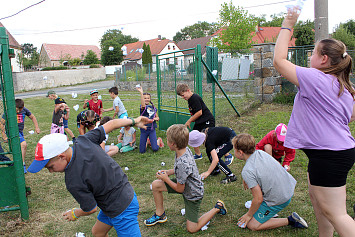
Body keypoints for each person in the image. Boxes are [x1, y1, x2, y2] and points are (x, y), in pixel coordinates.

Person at [273, 7, 355, 236]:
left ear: (324, 59)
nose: (310, 57)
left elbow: (279, 61)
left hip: (330, 154)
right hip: (330, 152)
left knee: (336, 213)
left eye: (313, 53)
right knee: (320, 203)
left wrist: (288, 22)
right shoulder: (342, 86)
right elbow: (348, 116)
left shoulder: (315, 77)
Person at [27, 116, 153, 237]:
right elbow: (112, 124)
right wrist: (134, 120)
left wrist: (76, 213)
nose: (50, 171)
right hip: (117, 196)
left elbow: (90, 208)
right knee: (98, 232)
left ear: (61, 156)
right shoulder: (83, 140)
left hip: (121, 207)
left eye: (50, 167)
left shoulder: (73, 181)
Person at [144, 124, 227, 233]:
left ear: (173, 144)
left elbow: (180, 189)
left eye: (168, 140)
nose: (167, 142)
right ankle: (160, 215)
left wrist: (165, 178)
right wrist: (168, 172)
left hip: (193, 194)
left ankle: (218, 207)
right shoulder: (184, 149)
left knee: (192, 229)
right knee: (156, 185)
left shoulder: (183, 162)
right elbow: (181, 170)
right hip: (185, 185)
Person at [232, 133, 308, 231]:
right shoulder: (261, 153)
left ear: (240, 152)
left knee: (252, 225)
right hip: (288, 188)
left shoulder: (247, 171)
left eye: (234, 149)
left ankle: (291, 220)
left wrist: (248, 215)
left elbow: (258, 199)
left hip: (280, 199)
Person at [176, 84, 221, 161]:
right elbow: (195, 113)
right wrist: (192, 119)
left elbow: (199, 112)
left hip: (207, 120)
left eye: (183, 95)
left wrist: (189, 121)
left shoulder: (194, 98)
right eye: (181, 96)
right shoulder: (190, 99)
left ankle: (226, 154)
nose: (183, 98)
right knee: (193, 136)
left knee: (209, 139)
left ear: (188, 90)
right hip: (200, 122)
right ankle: (198, 155)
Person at [0, 99, 40, 173]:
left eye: (20, 110)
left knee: (19, 147)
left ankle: (19, 162)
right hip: (12, 132)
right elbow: (2, 123)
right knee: (23, 144)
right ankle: (22, 165)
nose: (18, 111)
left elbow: (32, 117)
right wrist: (4, 135)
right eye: (17, 110)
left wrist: (37, 127)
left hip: (20, 132)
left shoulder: (24, 110)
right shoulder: (9, 111)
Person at [136, 86, 163, 153]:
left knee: (155, 149)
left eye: (148, 98)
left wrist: (154, 119)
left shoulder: (153, 107)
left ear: (150, 99)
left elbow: (158, 118)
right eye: (145, 98)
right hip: (144, 130)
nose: (146, 99)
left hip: (151, 129)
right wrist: (141, 93)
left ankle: (158, 140)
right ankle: (147, 141)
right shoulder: (142, 107)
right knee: (142, 151)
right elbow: (143, 105)